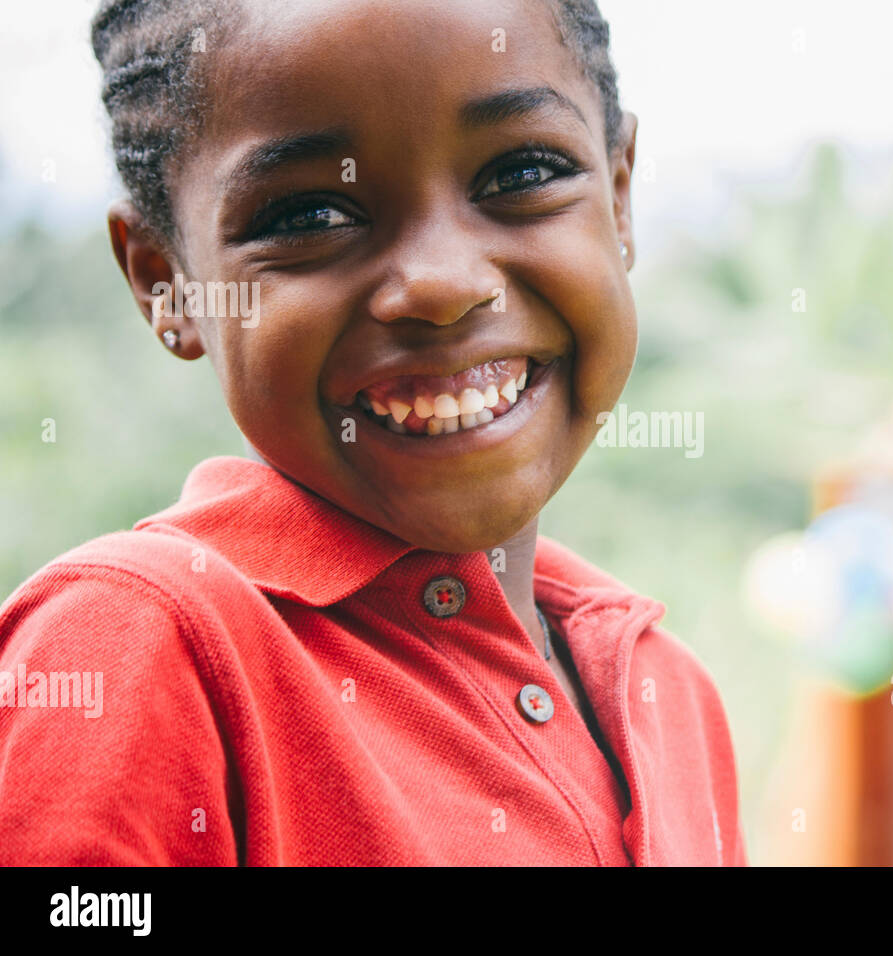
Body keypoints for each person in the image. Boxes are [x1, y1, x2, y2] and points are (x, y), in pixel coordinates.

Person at [0, 0, 746, 866]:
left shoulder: (667, 689)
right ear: (166, 283)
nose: (441, 283)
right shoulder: (140, 644)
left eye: (522, 172)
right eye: (309, 217)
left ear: (619, 198)